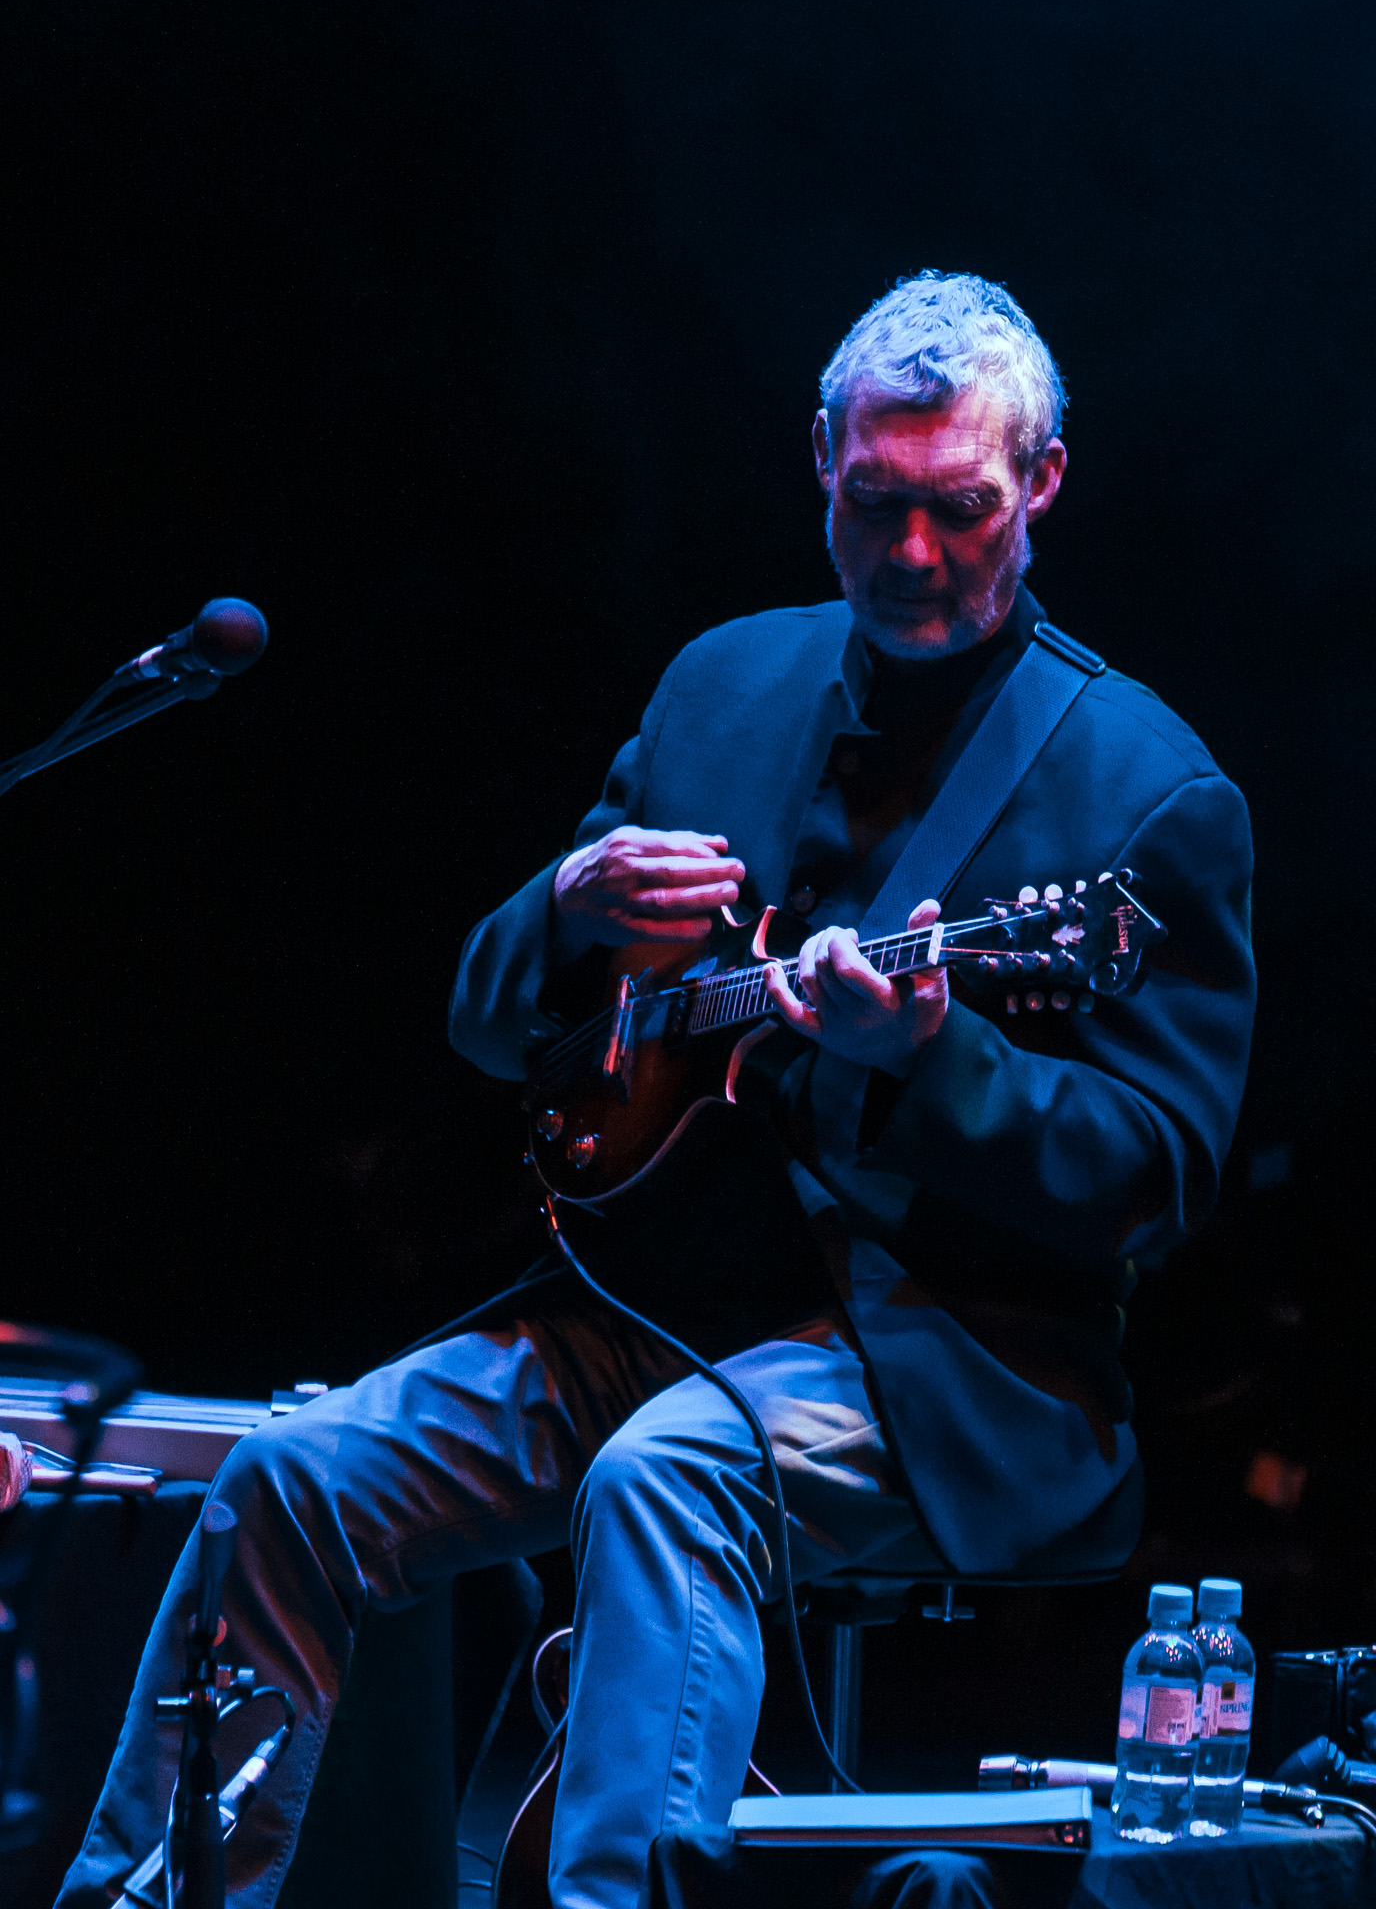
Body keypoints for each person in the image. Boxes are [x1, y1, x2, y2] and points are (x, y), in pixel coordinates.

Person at [57, 272, 1255, 1909]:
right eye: (875, 502)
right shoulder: (722, 687)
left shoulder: (1150, 788)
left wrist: (931, 1058)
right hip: (636, 1311)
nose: (913, 552)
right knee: (288, 1477)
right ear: (820, 459)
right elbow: (504, 1033)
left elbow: (1155, 1176)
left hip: (941, 1360)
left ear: (1042, 481)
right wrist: (561, 910)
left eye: (962, 508)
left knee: (666, 1476)